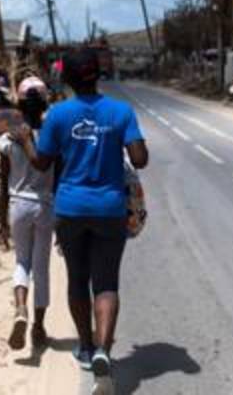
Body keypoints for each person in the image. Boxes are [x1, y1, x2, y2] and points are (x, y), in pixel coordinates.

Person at [34, 49, 148, 394]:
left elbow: (42, 163)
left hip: (70, 209)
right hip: (109, 208)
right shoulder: (120, 111)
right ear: (99, 75)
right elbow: (140, 159)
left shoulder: (57, 114)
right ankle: (103, 350)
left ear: (66, 79)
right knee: (107, 284)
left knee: (77, 279)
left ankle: (85, 346)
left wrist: (27, 141)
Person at [0, 76, 54, 351]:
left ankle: (20, 309)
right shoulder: (52, 138)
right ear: (45, 103)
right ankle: (39, 327)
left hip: (17, 205)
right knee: (41, 268)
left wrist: (1, 220)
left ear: (18, 105)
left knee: (22, 262)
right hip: (45, 206)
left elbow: (2, 181)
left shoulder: (6, 140)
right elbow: (60, 176)